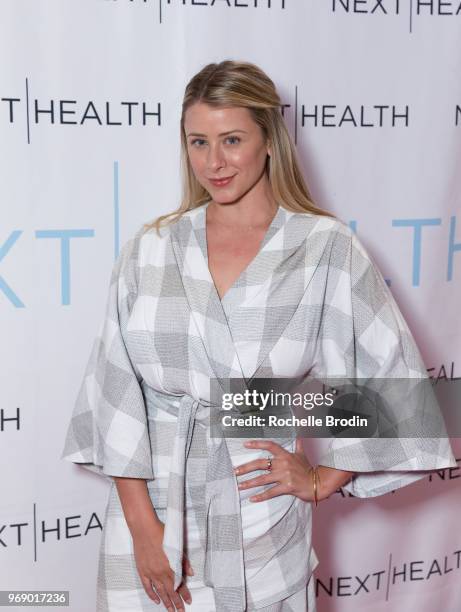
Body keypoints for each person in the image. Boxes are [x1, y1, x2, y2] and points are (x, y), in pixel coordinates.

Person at [61, 60, 456, 612]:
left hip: (261, 522)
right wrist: (143, 530)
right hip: (152, 513)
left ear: (270, 140)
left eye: (232, 140)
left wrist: (322, 478)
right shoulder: (151, 248)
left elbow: (397, 386)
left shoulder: (324, 247)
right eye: (198, 142)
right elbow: (117, 395)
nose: (213, 162)